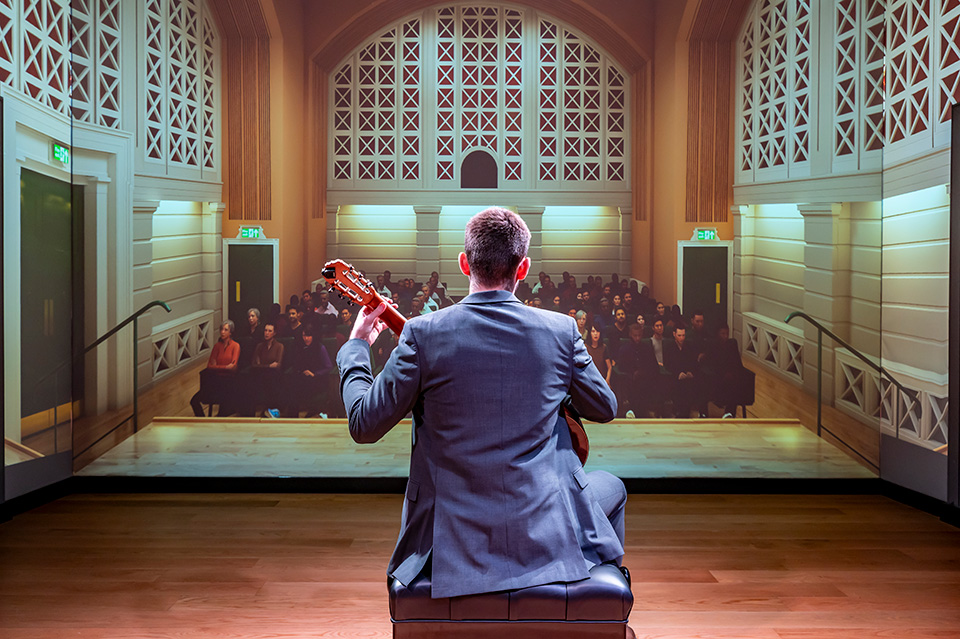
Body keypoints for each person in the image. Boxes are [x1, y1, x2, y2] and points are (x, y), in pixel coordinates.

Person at [336, 207, 625, 600]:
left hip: (451, 534)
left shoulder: (422, 334)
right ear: (522, 269)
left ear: (463, 262)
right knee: (612, 487)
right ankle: (593, 608)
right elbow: (604, 407)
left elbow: (364, 424)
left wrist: (356, 349)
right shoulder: (561, 331)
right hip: (542, 527)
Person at [190, 320, 240, 417]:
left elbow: (233, 367)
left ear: (230, 332)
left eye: (226, 330)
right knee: (194, 401)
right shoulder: (217, 346)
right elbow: (209, 366)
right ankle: (202, 421)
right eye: (221, 329)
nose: (222, 332)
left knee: (222, 409)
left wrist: (216, 366)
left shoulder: (235, 346)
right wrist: (225, 367)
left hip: (228, 382)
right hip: (215, 380)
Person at [284, 325, 332, 417]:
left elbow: (328, 366)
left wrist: (315, 374)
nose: (306, 339)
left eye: (309, 336)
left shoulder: (320, 348)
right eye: (304, 336)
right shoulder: (300, 348)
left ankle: (312, 413)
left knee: (298, 387)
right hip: (302, 376)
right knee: (292, 384)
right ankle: (291, 418)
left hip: (317, 378)